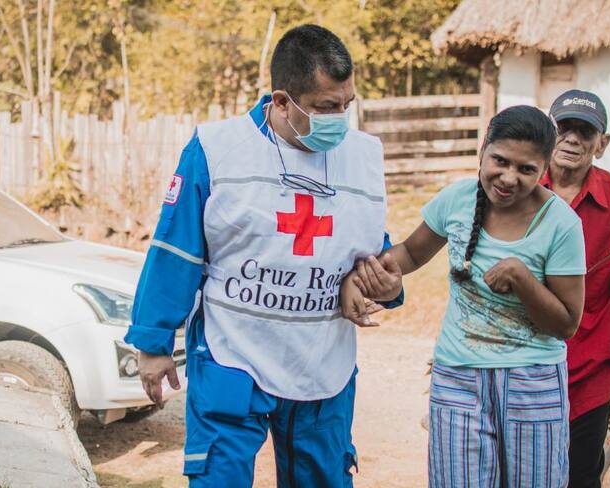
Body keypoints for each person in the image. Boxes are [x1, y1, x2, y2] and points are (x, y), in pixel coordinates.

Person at [124, 24, 402, 488]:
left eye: (347, 104)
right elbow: (176, 249)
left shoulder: (364, 157)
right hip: (235, 355)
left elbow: (373, 246)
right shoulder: (217, 150)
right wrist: (154, 343)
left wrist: (389, 286)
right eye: (326, 107)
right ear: (282, 101)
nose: (340, 118)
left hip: (322, 363)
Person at [342, 105, 586, 487]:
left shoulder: (562, 224)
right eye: (500, 160)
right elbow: (411, 253)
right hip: (458, 377)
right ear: (482, 149)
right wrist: (359, 279)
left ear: (545, 169)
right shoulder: (458, 199)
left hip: (533, 383)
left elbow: (567, 324)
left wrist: (523, 279)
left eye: (526, 169)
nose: (509, 177)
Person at [542, 89, 610, 488]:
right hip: (519, 371)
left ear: (602, 144)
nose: (571, 138)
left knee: (580, 477)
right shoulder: (519, 188)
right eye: (563, 127)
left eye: (584, 131)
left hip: (589, 375)